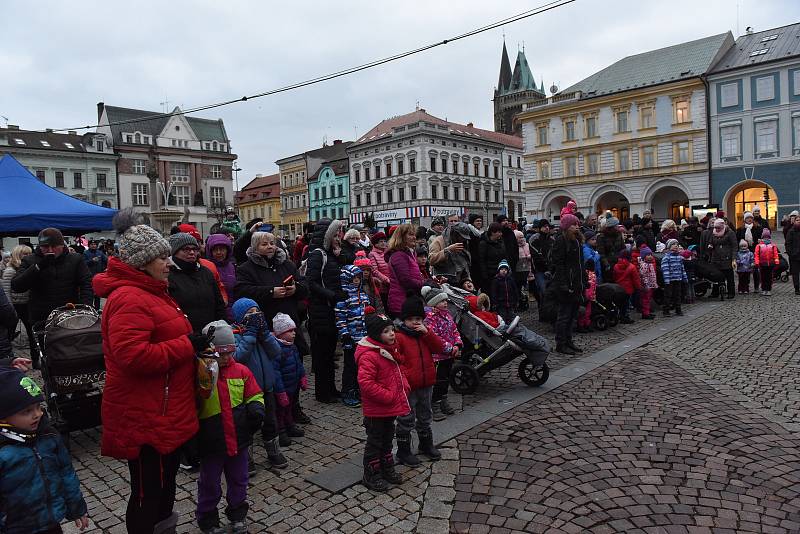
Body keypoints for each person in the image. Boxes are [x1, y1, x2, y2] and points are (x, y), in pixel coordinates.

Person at [93, 208, 208, 534]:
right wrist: (188, 345)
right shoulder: (130, 298)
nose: (170, 263)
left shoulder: (152, 291)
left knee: (163, 487)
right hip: (145, 414)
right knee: (148, 493)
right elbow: (134, 356)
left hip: (163, 408)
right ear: (142, 263)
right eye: (162, 258)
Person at [0, 368, 89, 534]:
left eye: (38, 407)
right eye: (26, 411)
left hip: (50, 523)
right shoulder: (4, 450)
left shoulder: (48, 436)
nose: (37, 414)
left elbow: (66, 473)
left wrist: (76, 508)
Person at [195, 321, 264, 534]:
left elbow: (255, 392)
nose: (226, 358)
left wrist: (256, 409)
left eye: (229, 352)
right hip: (212, 442)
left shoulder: (241, 371)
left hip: (239, 438)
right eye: (220, 353)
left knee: (239, 480)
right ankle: (208, 519)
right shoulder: (201, 374)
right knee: (210, 483)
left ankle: (237, 514)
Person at [11, 228, 93, 363]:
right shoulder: (30, 260)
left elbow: (86, 284)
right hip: (41, 317)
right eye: (45, 246)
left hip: (69, 314)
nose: (50, 250)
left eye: (54, 246)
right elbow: (17, 286)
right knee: (47, 357)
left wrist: (84, 309)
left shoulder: (75, 259)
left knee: (72, 354)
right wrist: (38, 267)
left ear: (62, 245)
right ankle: (48, 378)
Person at [230, 298, 287, 469]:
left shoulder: (263, 333)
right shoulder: (234, 334)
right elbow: (238, 358)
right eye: (250, 314)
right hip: (247, 390)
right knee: (248, 424)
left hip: (267, 386)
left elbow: (276, 352)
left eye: (257, 312)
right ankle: (246, 459)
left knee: (270, 422)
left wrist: (264, 335)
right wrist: (249, 336)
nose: (255, 316)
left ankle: (274, 451)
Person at [355, 314, 408, 492]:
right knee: (375, 442)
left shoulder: (388, 349)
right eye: (386, 331)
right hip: (377, 409)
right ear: (376, 334)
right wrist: (388, 396)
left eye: (392, 330)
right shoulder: (370, 355)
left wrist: (404, 387)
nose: (392, 334)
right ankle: (371, 474)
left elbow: (397, 373)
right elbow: (366, 383)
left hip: (388, 408)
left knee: (386, 440)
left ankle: (386, 468)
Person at [233, 232, 308, 356]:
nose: (270, 247)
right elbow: (242, 291)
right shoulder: (246, 269)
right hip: (266, 325)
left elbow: (305, 286)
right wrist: (271, 292)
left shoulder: (287, 264)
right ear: (255, 247)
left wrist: (296, 289)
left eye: (272, 243)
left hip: (290, 324)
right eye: (264, 244)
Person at [394, 297, 445, 467]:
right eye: (411, 319)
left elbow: (438, 347)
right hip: (409, 385)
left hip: (427, 382)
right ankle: (403, 451)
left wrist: (428, 333)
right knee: (406, 418)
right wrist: (405, 377)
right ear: (404, 320)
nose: (415, 323)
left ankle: (425, 444)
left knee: (425, 415)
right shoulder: (399, 337)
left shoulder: (425, 334)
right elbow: (396, 360)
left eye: (418, 319)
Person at [306, 218, 348, 403]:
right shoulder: (317, 254)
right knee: (323, 355)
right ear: (328, 235)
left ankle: (331, 388)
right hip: (321, 310)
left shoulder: (331, 254)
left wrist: (340, 255)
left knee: (330, 353)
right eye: (336, 233)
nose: (339, 237)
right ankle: (323, 393)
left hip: (332, 310)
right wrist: (331, 295)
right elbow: (311, 282)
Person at [168, 233, 227, 333]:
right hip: (184, 335)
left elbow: (219, 304)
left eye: (195, 249)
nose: (192, 252)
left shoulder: (206, 272)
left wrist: (221, 326)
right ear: (175, 252)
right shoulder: (167, 275)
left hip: (211, 332)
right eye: (186, 249)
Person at [421, 286, 461, 420]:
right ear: (433, 303)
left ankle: (443, 400)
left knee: (445, 379)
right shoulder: (430, 318)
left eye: (445, 300)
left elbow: (454, 330)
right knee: (438, 380)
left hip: (449, 354)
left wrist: (457, 344)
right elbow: (435, 338)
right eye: (441, 301)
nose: (445, 303)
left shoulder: (448, 315)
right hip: (438, 356)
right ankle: (435, 403)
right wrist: (449, 348)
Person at [550, 213, 586, 355]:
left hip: (576, 283)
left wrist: (584, 280)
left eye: (577, 224)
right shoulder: (561, 241)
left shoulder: (576, 240)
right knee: (564, 315)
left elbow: (580, 264)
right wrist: (564, 284)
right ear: (566, 226)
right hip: (566, 285)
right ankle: (561, 343)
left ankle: (569, 341)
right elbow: (559, 265)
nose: (577, 227)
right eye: (573, 225)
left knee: (572, 315)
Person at [270, 313, 307, 446]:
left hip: (292, 385)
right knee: (280, 410)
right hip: (283, 387)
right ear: (280, 333)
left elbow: (298, 364)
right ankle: (280, 430)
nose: (294, 333)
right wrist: (280, 392)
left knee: (289, 407)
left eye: (294, 330)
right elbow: (275, 373)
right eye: (290, 331)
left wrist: (302, 377)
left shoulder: (292, 346)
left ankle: (289, 424)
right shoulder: (277, 349)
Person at [335, 265, 369, 408]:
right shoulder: (344, 297)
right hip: (351, 339)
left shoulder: (364, 295)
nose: (356, 281)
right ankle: (348, 391)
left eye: (358, 278)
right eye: (353, 278)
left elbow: (368, 314)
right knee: (350, 367)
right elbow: (340, 318)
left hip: (364, 338)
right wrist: (344, 334)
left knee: (363, 366)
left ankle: (359, 390)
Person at [386, 224, 425, 318]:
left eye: (414, 234)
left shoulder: (409, 253)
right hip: (401, 304)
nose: (414, 237)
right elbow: (405, 280)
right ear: (401, 237)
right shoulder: (399, 255)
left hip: (409, 301)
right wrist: (424, 284)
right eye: (410, 235)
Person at [1, 245, 34, 358]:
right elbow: (6, 292)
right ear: (18, 254)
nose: (28, 256)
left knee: (31, 332)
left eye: (29, 254)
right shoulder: (10, 270)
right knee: (9, 333)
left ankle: (35, 359)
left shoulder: (27, 268)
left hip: (27, 304)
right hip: (15, 306)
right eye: (25, 254)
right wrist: (11, 310)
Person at [702, 218, 737, 299]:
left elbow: (734, 246)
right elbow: (711, 242)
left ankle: (731, 292)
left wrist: (734, 258)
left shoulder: (730, 233)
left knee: (729, 277)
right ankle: (715, 292)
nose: (717, 229)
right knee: (716, 276)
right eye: (716, 227)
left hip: (727, 258)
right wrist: (710, 246)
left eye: (718, 228)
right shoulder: (714, 233)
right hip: (716, 258)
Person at [205, 234, 237, 319]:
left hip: (233, 312)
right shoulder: (206, 268)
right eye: (215, 250)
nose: (219, 252)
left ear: (228, 250)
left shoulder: (233, 267)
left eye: (222, 249)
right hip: (215, 314)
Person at [612, 249, 640, 324]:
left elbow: (614, 277)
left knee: (619, 303)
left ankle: (618, 315)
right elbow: (636, 279)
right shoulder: (632, 267)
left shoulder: (615, 266)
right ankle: (624, 317)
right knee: (626, 304)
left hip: (618, 288)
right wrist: (638, 287)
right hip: (628, 289)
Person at [529, 219, 554, 300]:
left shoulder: (552, 240)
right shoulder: (535, 239)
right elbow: (536, 255)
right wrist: (545, 263)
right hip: (539, 270)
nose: (547, 228)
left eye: (548, 226)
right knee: (543, 291)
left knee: (551, 292)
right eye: (544, 226)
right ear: (540, 228)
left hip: (551, 270)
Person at [595, 212, 624, 282]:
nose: (618, 226)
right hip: (607, 265)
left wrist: (623, 261)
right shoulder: (601, 237)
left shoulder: (619, 235)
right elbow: (601, 253)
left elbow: (623, 248)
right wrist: (606, 264)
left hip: (619, 263)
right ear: (612, 227)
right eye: (617, 225)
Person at [661, 239, 687, 316]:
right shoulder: (667, 257)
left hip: (678, 279)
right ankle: (666, 310)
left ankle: (678, 309)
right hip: (670, 280)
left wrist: (684, 277)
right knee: (668, 295)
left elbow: (682, 268)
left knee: (677, 295)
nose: (676, 246)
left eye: (677, 244)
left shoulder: (679, 257)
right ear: (669, 247)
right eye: (673, 244)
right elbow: (665, 269)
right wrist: (667, 279)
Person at [478, 222, 507, 291]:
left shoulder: (501, 242)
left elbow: (505, 256)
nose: (501, 234)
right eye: (499, 232)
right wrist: (485, 276)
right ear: (492, 232)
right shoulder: (483, 243)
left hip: (501, 273)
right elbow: (482, 260)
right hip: (489, 275)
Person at [490, 260, 518, 324]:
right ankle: (504, 329)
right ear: (499, 270)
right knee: (503, 317)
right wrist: (495, 303)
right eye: (502, 269)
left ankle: (513, 328)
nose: (504, 271)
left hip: (510, 302)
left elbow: (515, 290)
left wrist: (516, 300)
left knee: (512, 316)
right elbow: (494, 292)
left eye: (505, 269)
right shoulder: (496, 280)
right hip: (501, 304)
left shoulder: (510, 279)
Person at [368, 231, 391, 310]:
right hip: (382, 285)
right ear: (375, 243)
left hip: (392, 283)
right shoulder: (372, 254)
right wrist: (386, 279)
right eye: (381, 241)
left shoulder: (388, 252)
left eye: (384, 241)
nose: (383, 243)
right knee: (385, 305)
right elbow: (374, 270)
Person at [754, 229, 780, 296]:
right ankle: (763, 289)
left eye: (767, 237)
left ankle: (768, 289)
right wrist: (757, 262)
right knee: (763, 277)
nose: (766, 238)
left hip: (770, 264)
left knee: (769, 278)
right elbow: (756, 255)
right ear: (762, 237)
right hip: (762, 264)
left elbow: (775, 254)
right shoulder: (759, 246)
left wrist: (776, 261)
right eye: (765, 237)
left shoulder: (772, 246)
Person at [83, 240, 108, 309]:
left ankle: (97, 308)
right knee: (90, 293)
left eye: (95, 244)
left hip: (98, 276)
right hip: (90, 276)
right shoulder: (86, 253)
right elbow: (83, 263)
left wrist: (106, 268)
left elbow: (106, 260)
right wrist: (91, 260)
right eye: (92, 244)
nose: (93, 245)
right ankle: (90, 308)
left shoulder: (99, 252)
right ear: (89, 245)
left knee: (97, 293)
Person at [576, 259, 597, 333]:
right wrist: (590, 297)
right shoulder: (592, 275)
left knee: (584, 312)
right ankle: (584, 325)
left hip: (583, 296)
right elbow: (592, 287)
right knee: (587, 312)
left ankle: (583, 325)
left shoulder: (583, 273)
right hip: (589, 297)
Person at [638, 246, 658, 319]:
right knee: (645, 300)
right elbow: (643, 276)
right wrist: (646, 285)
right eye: (648, 255)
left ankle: (647, 312)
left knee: (648, 299)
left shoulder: (650, 264)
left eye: (650, 255)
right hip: (646, 286)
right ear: (644, 256)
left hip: (651, 285)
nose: (650, 256)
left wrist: (654, 284)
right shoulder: (644, 265)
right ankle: (645, 313)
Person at [514, 230, 533, 301]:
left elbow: (532, 253)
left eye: (522, 237)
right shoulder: (514, 247)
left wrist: (529, 256)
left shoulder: (527, 245)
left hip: (529, 267)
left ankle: (529, 295)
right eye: (519, 237)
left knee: (530, 282)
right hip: (519, 269)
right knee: (519, 284)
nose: (521, 239)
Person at [786, 216, 800, 295]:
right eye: (797, 220)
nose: (799, 221)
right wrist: (791, 254)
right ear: (794, 222)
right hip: (794, 257)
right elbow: (788, 244)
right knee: (795, 273)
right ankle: (797, 288)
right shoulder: (791, 231)